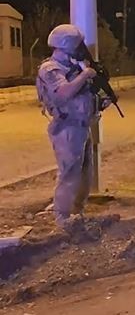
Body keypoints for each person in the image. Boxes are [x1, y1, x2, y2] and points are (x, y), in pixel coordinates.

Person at [36, 24, 101, 231]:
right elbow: (63, 93)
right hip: (67, 128)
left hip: (82, 126)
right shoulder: (51, 68)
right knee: (69, 174)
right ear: (67, 45)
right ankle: (62, 218)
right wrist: (85, 75)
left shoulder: (73, 67)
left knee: (85, 174)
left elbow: (82, 95)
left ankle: (77, 212)